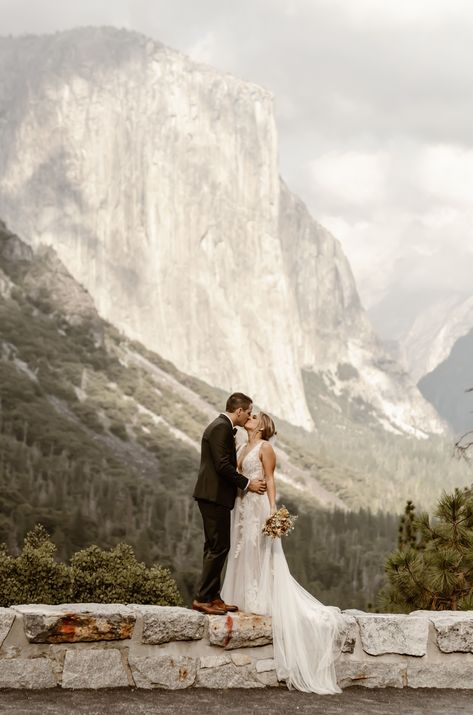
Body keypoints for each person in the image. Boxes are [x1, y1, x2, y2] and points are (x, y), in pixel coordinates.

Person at [221, 411, 345, 694]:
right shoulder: (241, 446)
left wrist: (273, 510)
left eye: (255, 417)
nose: (249, 418)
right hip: (241, 507)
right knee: (241, 550)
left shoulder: (266, 448)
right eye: (249, 415)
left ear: (263, 426)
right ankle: (239, 596)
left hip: (258, 507)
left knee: (258, 550)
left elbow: (270, 478)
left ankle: (260, 596)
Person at [192, 392, 267, 616]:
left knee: (217, 545)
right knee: (218, 546)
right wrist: (247, 484)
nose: (249, 417)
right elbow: (223, 466)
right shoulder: (221, 428)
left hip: (215, 496)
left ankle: (213, 596)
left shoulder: (222, 427)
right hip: (213, 495)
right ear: (239, 411)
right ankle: (202, 598)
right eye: (249, 413)